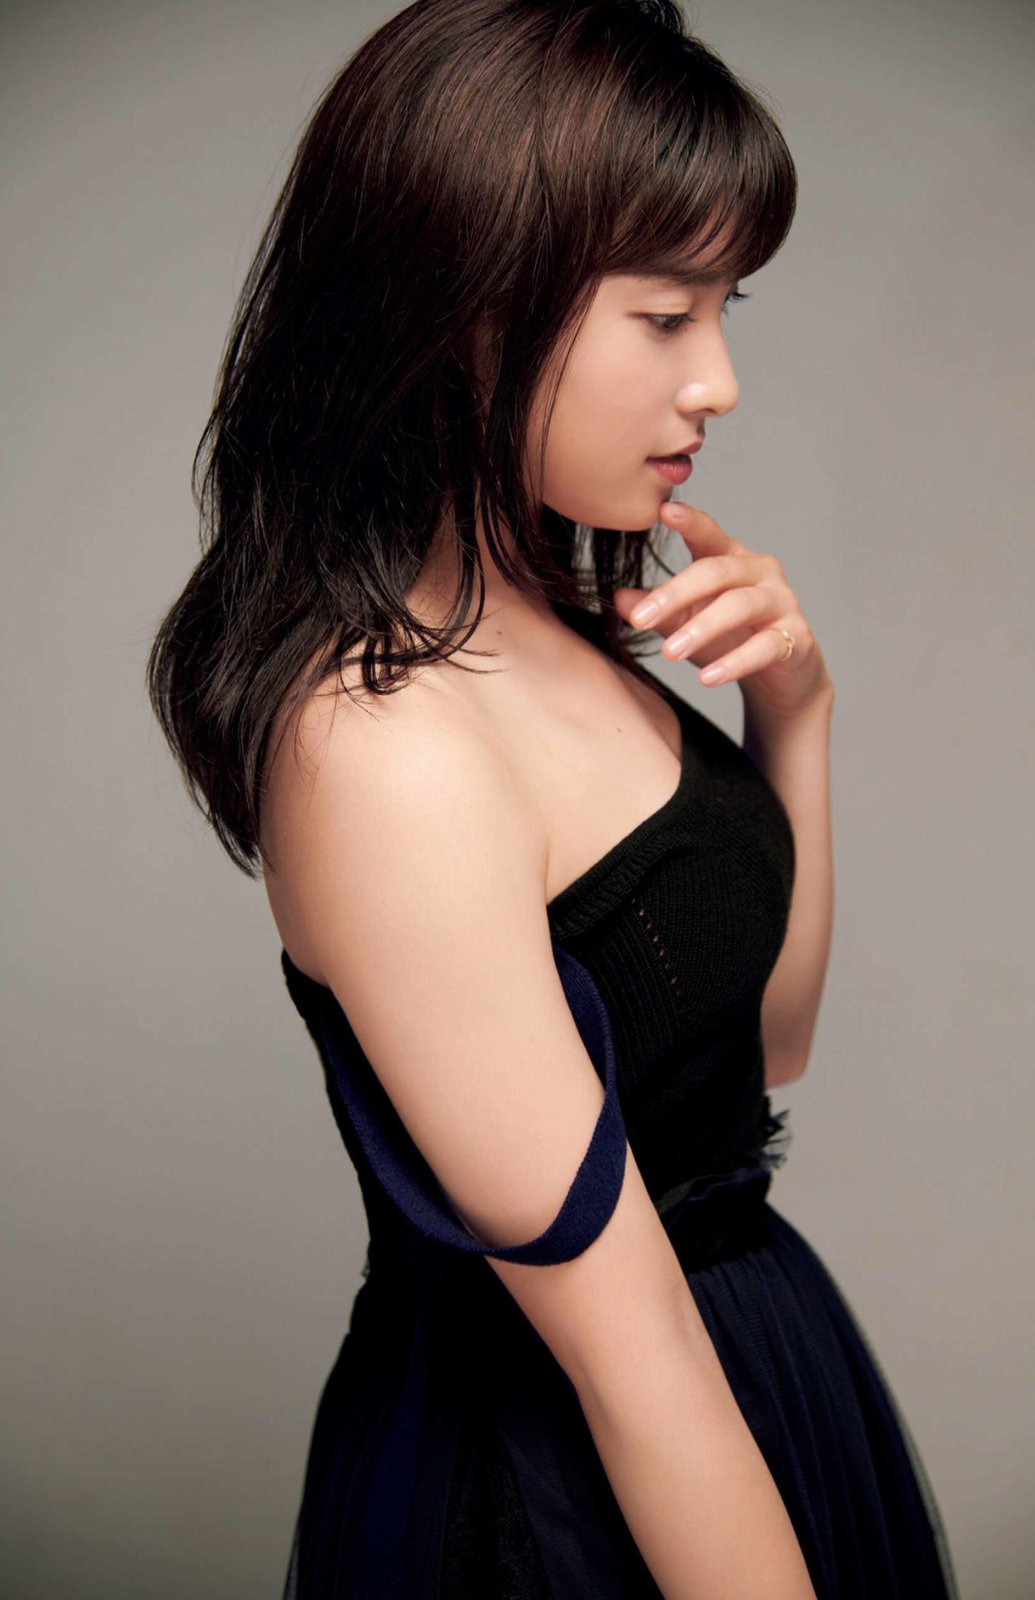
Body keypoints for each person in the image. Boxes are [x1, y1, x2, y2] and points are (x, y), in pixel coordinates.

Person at [146, 1, 961, 1594]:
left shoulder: (552, 619)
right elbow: (628, 1350)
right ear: (467, 307)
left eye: (726, 309)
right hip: (569, 1488)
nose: (719, 381)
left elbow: (762, 1054)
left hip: (748, 1372)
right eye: (667, 315)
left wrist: (796, 712)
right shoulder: (381, 744)